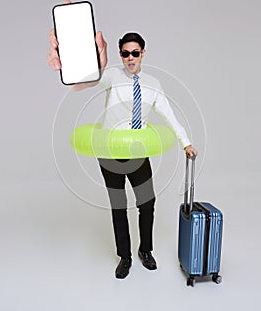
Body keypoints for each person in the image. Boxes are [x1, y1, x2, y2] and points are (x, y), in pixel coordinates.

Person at [47, 24, 198, 279]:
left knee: (147, 203)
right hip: (110, 153)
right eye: (126, 53)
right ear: (120, 55)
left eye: (135, 53)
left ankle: (145, 251)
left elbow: (168, 114)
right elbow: (85, 81)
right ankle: (124, 257)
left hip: (138, 152)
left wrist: (186, 142)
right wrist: (68, 62)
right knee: (119, 206)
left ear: (143, 53)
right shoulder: (111, 76)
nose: (130, 58)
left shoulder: (153, 84)